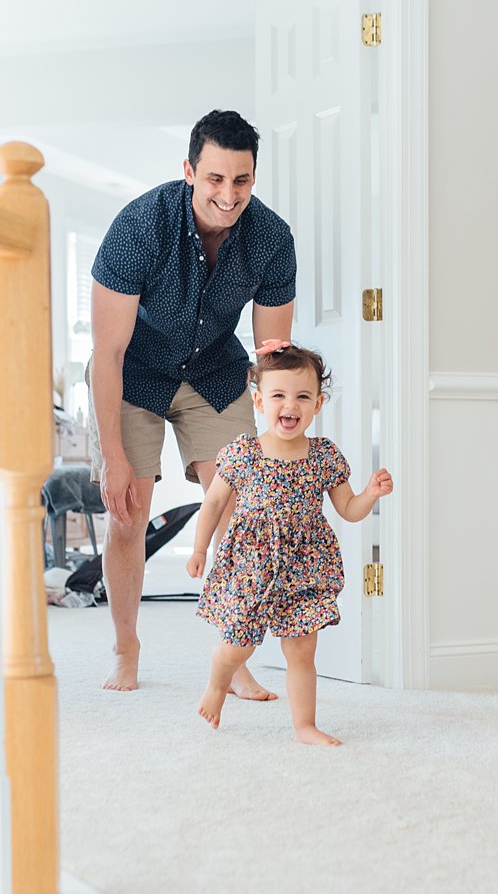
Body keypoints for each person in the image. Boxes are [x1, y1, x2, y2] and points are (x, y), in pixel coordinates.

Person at [90, 109, 295, 694]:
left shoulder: (272, 239)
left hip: (213, 371)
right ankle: (125, 648)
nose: (228, 196)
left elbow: (272, 354)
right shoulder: (139, 227)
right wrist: (113, 458)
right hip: (134, 370)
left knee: (235, 505)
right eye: (214, 179)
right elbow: (107, 353)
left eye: (241, 181)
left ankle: (232, 659)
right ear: (189, 170)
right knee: (129, 513)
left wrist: (286, 428)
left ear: (253, 177)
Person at [187, 346, 393, 746]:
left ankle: (304, 726)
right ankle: (218, 680)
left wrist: (369, 493)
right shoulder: (242, 453)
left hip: (304, 568)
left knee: (301, 652)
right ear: (260, 400)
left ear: (318, 403)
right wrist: (198, 551)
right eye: (279, 395)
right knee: (237, 645)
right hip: (251, 565)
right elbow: (212, 502)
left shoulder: (324, 456)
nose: (290, 405)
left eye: (302, 397)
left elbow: (348, 509)